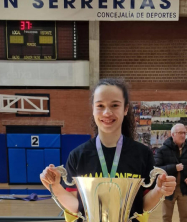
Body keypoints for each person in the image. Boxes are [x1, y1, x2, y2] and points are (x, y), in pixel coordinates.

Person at [40, 78, 177, 221]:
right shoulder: (78, 155)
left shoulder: (142, 154)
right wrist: (55, 186)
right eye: (100, 105)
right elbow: (76, 207)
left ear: (125, 109)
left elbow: (142, 206)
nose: (107, 112)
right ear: (93, 109)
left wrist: (158, 190)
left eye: (115, 105)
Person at [154, 123, 187, 222]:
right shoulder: (162, 150)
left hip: (184, 188)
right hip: (168, 188)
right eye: (180, 133)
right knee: (166, 216)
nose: (183, 135)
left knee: (185, 216)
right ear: (173, 134)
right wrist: (174, 168)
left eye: (184, 133)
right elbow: (157, 169)